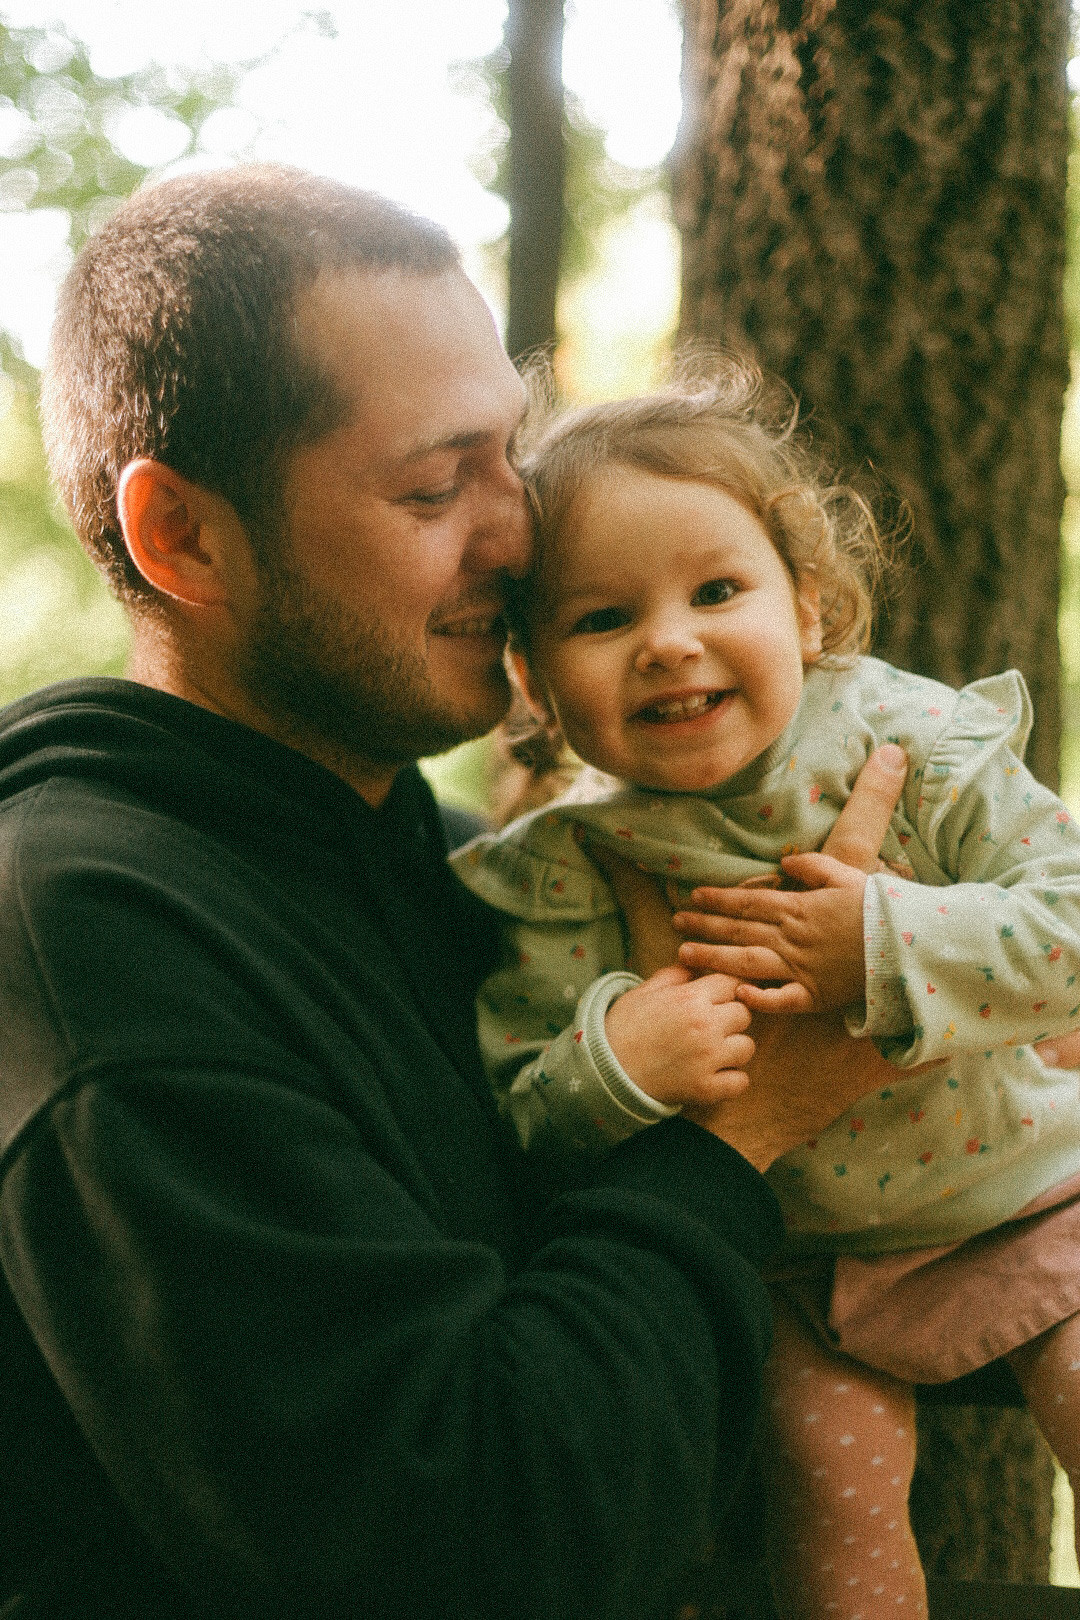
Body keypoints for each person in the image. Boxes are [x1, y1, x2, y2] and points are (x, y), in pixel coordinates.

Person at [0, 164, 907, 1620]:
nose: (522, 532)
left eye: (512, 458)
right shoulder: (92, 946)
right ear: (183, 538)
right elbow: (467, 1548)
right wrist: (738, 1128)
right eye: (435, 485)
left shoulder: (430, 856)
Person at [451, 364, 1080, 1619]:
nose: (669, 640)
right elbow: (520, 1108)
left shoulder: (910, 743)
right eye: (599, 619)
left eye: (718, 590)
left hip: (1028, 1196)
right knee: (826, 1501)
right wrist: (620, 1056)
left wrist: (881, 943)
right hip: (800, 1271)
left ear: (808, 604)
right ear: (532, 679)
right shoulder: (569, 860)